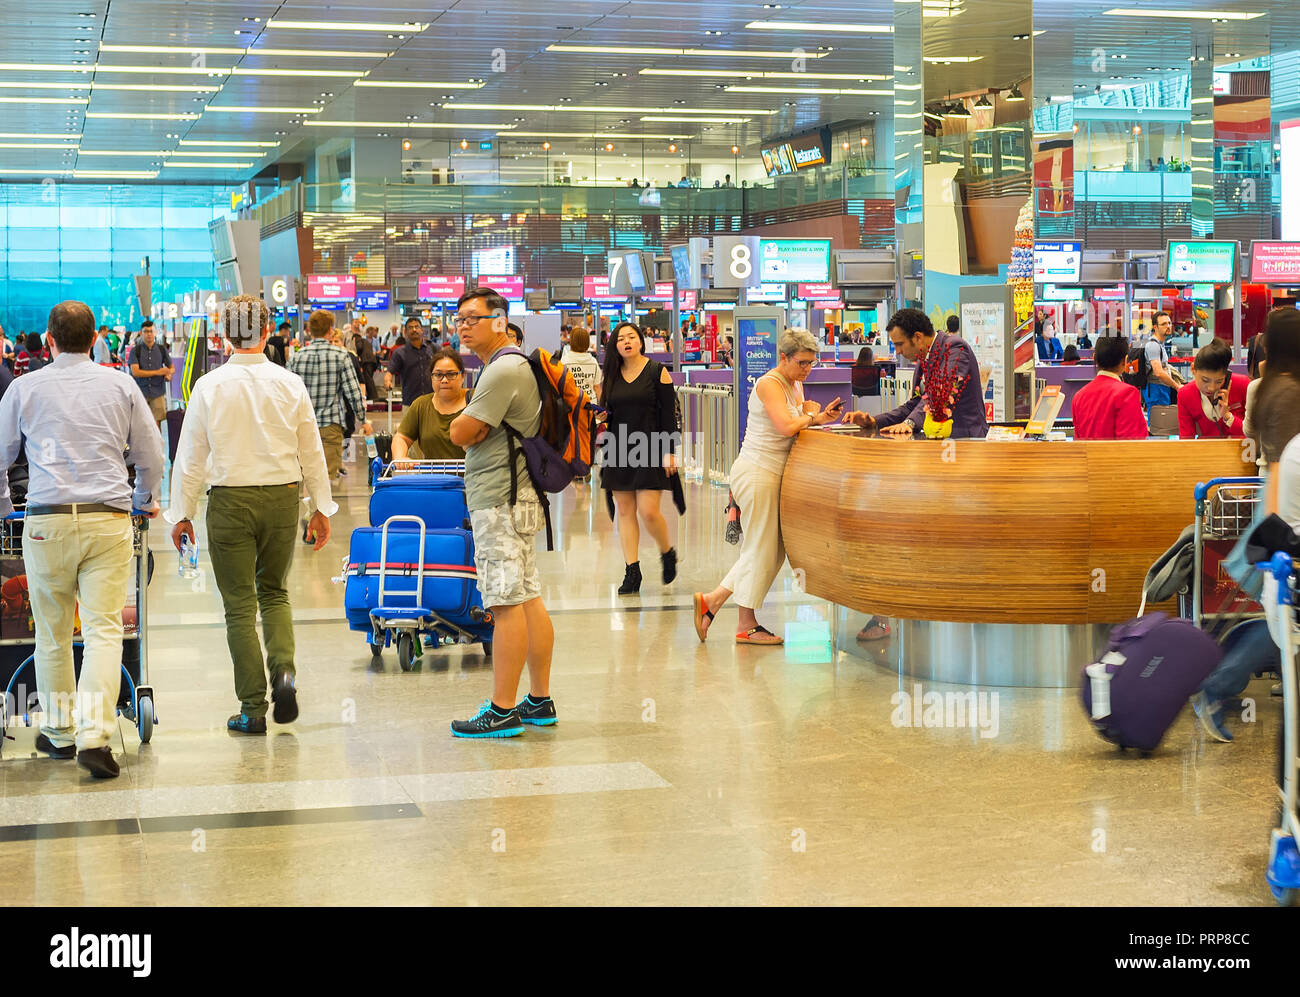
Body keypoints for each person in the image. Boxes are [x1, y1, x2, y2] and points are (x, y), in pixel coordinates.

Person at [0, 301, 163, 779]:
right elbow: (151, 454)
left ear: (49, 341)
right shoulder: (120, 384)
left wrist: (6, 509)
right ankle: (95, 735)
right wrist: (144, 498)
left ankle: (60, 732)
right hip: (107, 521)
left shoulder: (24, 388)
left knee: (50, 634)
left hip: (46, 521)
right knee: (103, 631)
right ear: (96, 340)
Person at [167, 295, 337, 736]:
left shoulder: (208, 386)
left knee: (239, 607)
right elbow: (312, 451)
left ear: (224, 334)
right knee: (275, 593)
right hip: (282, 497)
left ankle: (252, 708)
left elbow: (189, 459)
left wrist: (182, 514)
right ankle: (284, 672)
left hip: (229, 502)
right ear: (266, 332)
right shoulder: (289, 383)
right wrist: (321, 506)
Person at [446, 288, 555, 739]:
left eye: (473, 317)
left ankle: (503, 709)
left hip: (498, 499)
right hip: (519, 495)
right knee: (527, 596)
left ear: (500, 320)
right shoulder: (511, 365)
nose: (463, 326)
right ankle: (539, 698)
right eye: (459, 319)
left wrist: (464, 421)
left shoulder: (503, 369)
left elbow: (460, 431)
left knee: (504, 603)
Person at [693, 329, 843, 645]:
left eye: (811, 363)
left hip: (776, 474)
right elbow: (787, 426)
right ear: (783, 357)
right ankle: (743, 623)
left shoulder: (794, 383)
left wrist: (818, 417)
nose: (807, 370)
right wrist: (811, 415)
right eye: (801, 362)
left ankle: (713, 603)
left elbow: (796, 423)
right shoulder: (769, 384)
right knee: (760, 549)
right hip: (758, 472)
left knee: (771, 552)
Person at [599, 321, 681, 595]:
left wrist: (670, 451)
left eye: (631, 337)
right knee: (624, 511)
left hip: (651, 446)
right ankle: (632, 570)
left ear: (640, 341)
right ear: (615, 346)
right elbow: (610, 412)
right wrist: (601, 415)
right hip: (619, 447)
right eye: (620, 338)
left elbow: (670, 415)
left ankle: (667, 551)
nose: (626, 341)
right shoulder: (610, 375)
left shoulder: (658, 372)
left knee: (648, 511)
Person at [844, 308, 989, 439]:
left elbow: (939, 393)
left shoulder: (955, 348)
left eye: (900, 344)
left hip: (965, 441)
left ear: (918, 337)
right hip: (938, 442)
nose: (898, 351)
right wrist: (874, 421)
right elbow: (913, 404)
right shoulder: (923, 358)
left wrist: (910, 423)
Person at [288, 309, 371, 488]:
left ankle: (309, 513)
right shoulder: (341, 357)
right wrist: (363, 420)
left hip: (302, 426)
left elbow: (287, 395)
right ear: (331, 330)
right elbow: (353, 392)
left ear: (309, 330)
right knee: (326, 480)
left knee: (307, 478)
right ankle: (319, 513)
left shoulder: (297, 357)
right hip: (331, 426)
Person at [391, 348, 467, 463]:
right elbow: (401, 438)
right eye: (438, 374)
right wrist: (401, 457)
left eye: (451, 374)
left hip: (473, 479)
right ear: (431, 377)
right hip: (432, 479)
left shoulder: (475, 400)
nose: (444, 380)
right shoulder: (421, 405)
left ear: (462, 376)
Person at [1070, 335, 1148, 440]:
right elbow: (1133, 443)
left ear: (1094, 358)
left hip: (1089, 455)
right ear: (1125, 360)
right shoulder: (1127, 393)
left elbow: (1078, 441)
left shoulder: (1078, 396)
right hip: (1115, 456)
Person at [1177, 338, 1248, 439]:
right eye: (1205, 380)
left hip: (1242, 450)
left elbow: (1253, 433)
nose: (1211, 388)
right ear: (1193, 369)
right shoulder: (1185, 394)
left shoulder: (1242, 384)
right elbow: (1186, 438)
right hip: (1207, 451)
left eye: (1219, 381)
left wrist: (1227, 416)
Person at [128, 319, 174, 431]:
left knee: (156, 424)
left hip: (158, 392)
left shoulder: (161, 349)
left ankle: (157, 447)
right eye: (146, 331)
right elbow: (135, 372)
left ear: (155, 332)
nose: (149, 334)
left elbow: (172, 368)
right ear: (141, 333)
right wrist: (159, 372)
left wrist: (168, 374)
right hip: (140, 392)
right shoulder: (135, 351)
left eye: (151, 331)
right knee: (140, 424)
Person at [385, 316, 434, 407]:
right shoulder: (400, 353)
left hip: (432, 402)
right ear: (405, 332)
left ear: (422, 330)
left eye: (416, 327)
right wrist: (388, 381)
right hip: (410, 402)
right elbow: (390, 371)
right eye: (410, 328)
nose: (414, 330)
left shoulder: (433, 349)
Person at [1142, 310, 1180, 410]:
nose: (1168, 326)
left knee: (1163, 421)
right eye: (1163, 324)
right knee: (1157, 422)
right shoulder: (1153, 345)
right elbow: (1158, 372)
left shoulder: (1160, 344)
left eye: (1169, 323)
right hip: (1156, 389)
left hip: (1162, 388)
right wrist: (1177, 386)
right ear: (1155, 327)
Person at [562, 327, 600, 400]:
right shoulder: (593, 362)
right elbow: (597, 387)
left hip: (570, 404)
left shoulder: (564, 362)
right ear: (587, 342)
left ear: (571, 341)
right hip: (591, 404)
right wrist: (601, 407)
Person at [352, 325, 379, 400]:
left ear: (354, 338)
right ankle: (372, 396)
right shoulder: (366, 341)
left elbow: (359, 347)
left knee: (368, 380)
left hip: (366, 361)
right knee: (369, 379)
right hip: (372, 361)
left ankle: (374, 397)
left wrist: (358, 355)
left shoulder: (358, 339)